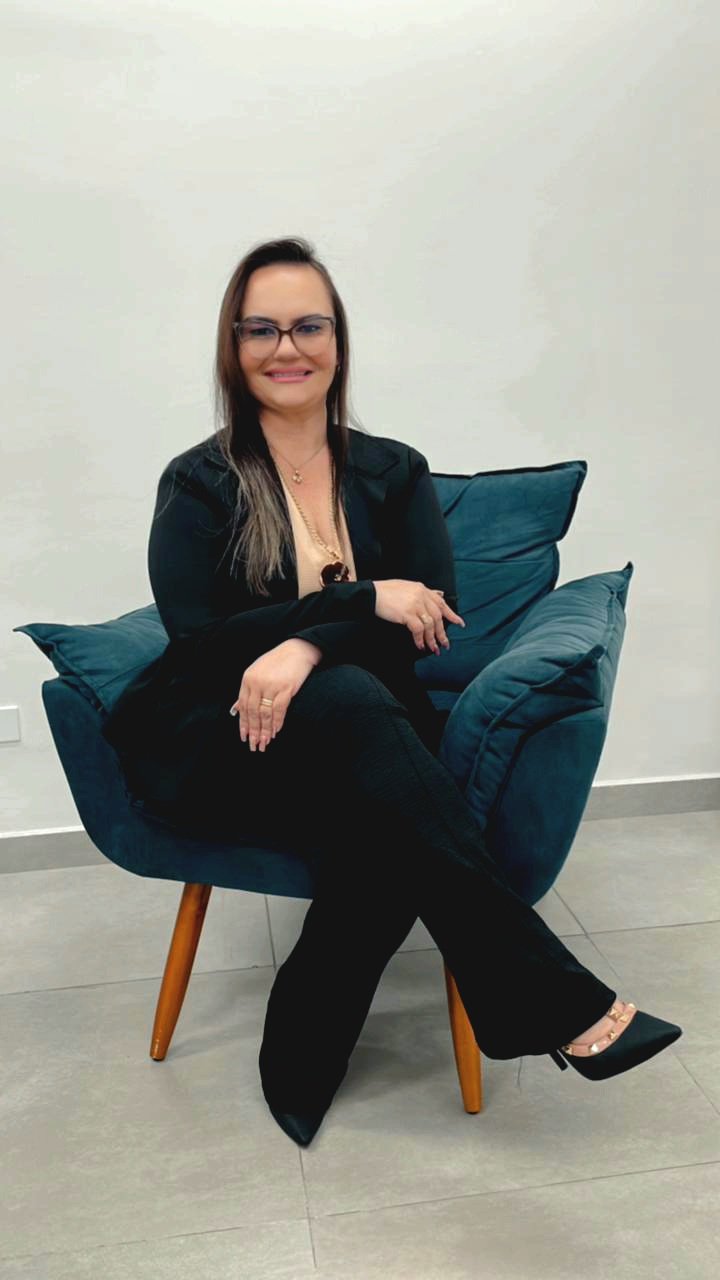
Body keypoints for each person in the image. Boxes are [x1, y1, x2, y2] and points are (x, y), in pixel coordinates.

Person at [101, 236, 682, 1148]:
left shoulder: (395, 470)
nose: (286, 348)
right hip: (227, 735)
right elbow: (203, 644)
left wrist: (302, 647)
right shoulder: (200, 481)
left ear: (338, 341)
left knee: (370, 766)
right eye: (260, 329)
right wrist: (355, 602)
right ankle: (545, 998)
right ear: (233, 345)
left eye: (308, 326)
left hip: (358, 724)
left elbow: (427, 620)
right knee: (368, 727)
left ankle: (301, 1054)